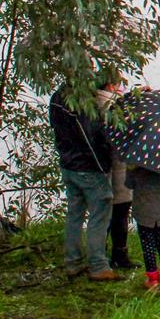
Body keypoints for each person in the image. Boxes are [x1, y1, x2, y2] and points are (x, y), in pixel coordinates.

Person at [49, 82, 119, 281]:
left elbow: (55, 128)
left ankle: (73, 262)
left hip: (68, 164)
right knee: (100, 214)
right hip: (89, 167)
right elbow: (92, 136)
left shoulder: (57, 97)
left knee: (75, 214)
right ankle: (98, 266)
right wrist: (105, 162)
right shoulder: (83, 102)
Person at [94, 83, 135, 270]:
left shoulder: (93, 102)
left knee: (107, 215)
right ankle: (118, 255)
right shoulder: (110, 104)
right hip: (117, 168)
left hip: (104, 169)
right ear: (110, 84)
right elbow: (126, 128)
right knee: (119, 213)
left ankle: (102, 254)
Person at [125, 165, 160, 290]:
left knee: (147, 246)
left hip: (143, 211)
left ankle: (152, 279)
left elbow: (128, 184)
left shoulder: (135, 165)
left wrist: (130, 169)